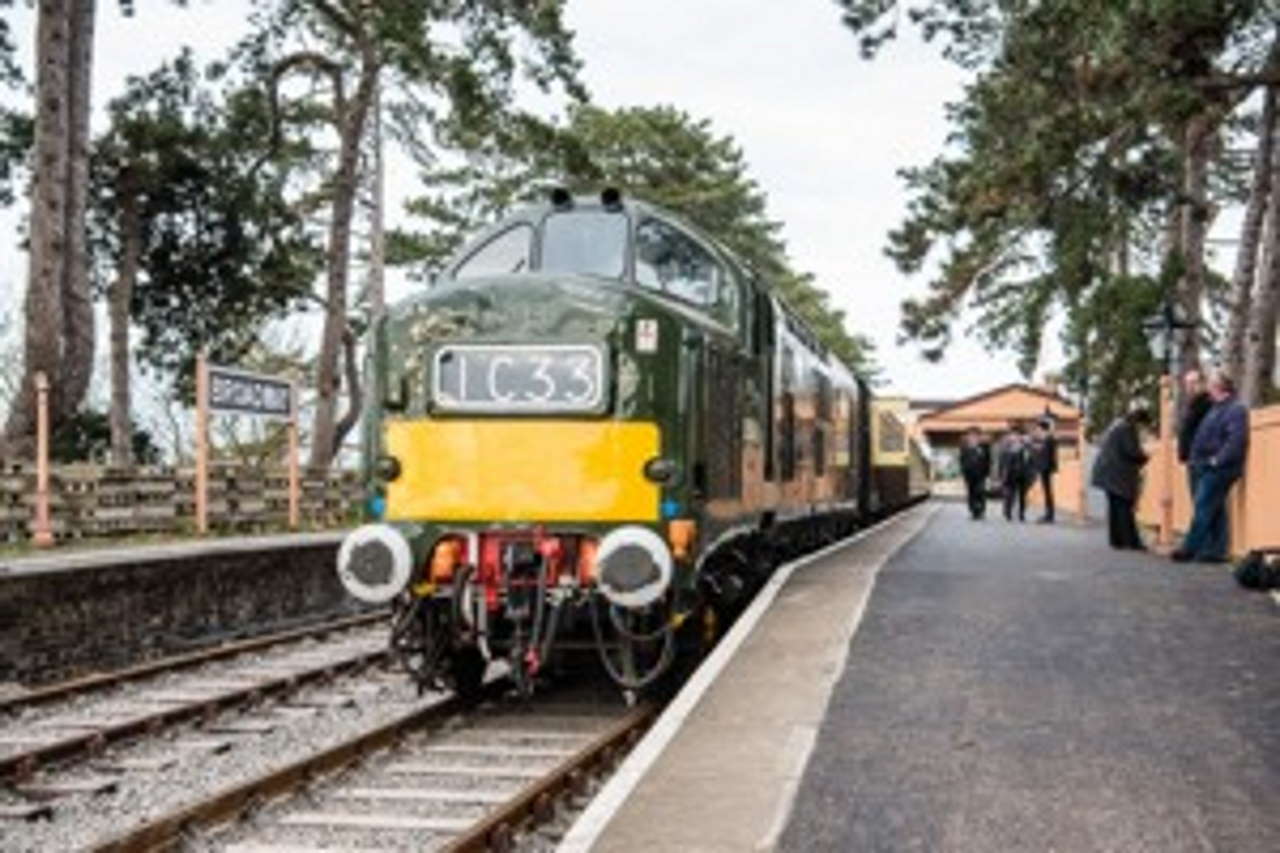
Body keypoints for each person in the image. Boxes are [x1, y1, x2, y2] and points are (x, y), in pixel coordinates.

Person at [1173, 371, 1249, 564]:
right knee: (1215, 508)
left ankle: (1190, 548)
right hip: (1204, 464)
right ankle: (1216, 551)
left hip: (1220, 467)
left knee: (1203, 506)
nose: (1208, 388)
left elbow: (1236, 440)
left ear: (1221, 388)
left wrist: (1217, 460)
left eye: (1212, 385)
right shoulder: (1216, 408)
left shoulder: (1235, 409)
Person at [1090, 407, 1151, 549]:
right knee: (1124, 507)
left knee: (1115, 507)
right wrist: (1145, 457)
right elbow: (1131, 451)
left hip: (1107, 472)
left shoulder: (1117, 425)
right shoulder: (1127, 429)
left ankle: (1117, 540)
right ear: (1139, 421)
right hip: (1118, 474)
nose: (1142, 430)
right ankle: (1131, 542)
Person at [1177, 368, 1212, 500]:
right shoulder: (1192, 404)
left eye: (1194, 383)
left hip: (1202, 457)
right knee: (1197, 497)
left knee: (1202, 499)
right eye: (1188, 384)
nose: (1190, 387)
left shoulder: (1206, 403)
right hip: (1192, 458)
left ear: (1202, 383)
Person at [998, 425, 1032, 522]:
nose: (1015, 437)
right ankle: (1008, 512)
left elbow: (1030, 460)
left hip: (1023, 474)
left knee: (1022, 495)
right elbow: (1001, 462)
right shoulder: (1005, 447)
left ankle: (1021, 513)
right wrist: (1000, 474)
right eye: (1013, 435)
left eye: (1017, 435)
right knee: (1009, 494)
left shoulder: (1025, 446)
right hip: (1009, 474)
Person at [959, 427, 992, 520]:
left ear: (979, 437)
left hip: (981, 474)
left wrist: (988, 473)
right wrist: (963, 472)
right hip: (969, 474)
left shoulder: (985, 447)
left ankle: (981, 509)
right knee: (971, 492)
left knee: (980, 491)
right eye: (971, 435)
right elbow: (961, 460)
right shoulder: (964, 447)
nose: (973, 437)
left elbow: (988, 461)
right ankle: (973, 510)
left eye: (975, 435)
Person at [1032, 417, 1059, 523]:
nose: (1037, 431)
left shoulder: (1049, 439)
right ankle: (1048, 514)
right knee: (1047, 491)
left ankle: (1049, 515)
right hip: (1046, 469)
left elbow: (1047, 456)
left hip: (1046, 469)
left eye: (1038, 429)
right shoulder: (1048, 439)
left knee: (1048, 492)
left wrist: (1037, 450)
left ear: (1043, 429)